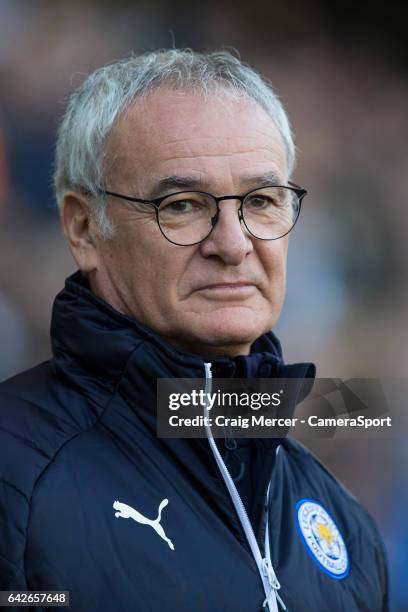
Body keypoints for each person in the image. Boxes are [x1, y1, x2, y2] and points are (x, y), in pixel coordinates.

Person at [0, 50, 388, 611]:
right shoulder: (14, 478)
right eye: (181, 205)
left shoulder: (345, 523)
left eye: (260, 201)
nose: (233, 244)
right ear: (83, 228)